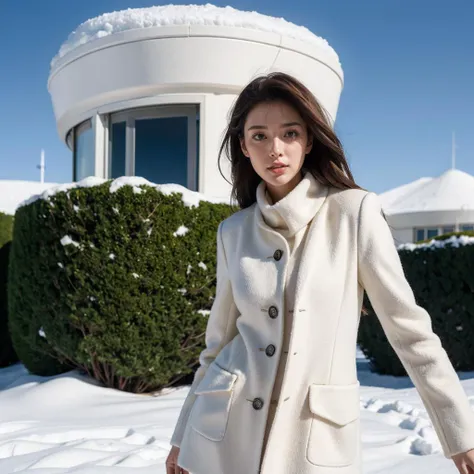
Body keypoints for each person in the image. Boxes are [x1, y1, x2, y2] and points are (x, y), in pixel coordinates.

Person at [165, 72, 474, 474]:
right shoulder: (233, 232)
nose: (275, 149)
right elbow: (218, 345)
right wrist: (181, 435)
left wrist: (461, 434)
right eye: (259, 136)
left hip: (314, 443)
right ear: (243, 145)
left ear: (309, 140)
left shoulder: (354, 213)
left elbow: (410, 332)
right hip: (224, 435)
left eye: (289, 133)